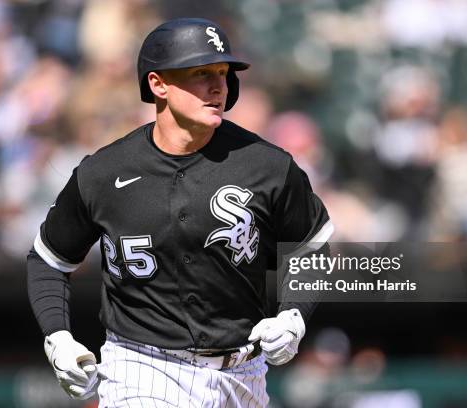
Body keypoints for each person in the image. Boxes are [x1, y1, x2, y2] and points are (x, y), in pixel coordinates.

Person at [27, 17, 333, 407]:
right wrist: (58, 336)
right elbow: (48, 260)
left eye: (223, 72)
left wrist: (295, 314)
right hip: (142, 368)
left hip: (243, 376)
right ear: (158, 84)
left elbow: (312, 247)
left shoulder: (267, 166)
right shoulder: (104, 173)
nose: (218, 86)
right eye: (201, 72)